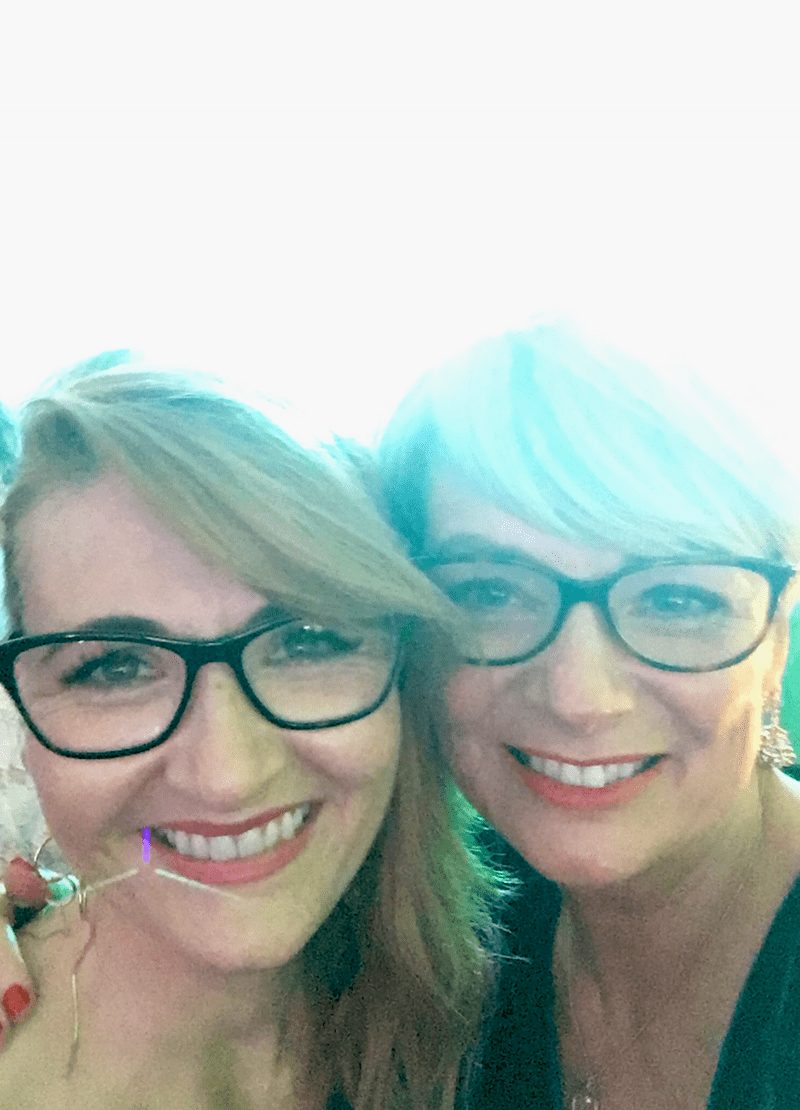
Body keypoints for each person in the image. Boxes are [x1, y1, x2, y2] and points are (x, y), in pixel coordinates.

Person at [0, 357, 500, 1109]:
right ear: (20, 716)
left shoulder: (512, 975)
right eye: (115, 668)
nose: (228, 775)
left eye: (307, 642)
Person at [377, 321, 800, 1109]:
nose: (579, 699)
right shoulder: (439, 939)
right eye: (491, 592)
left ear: (775, 638)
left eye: (676, 600)